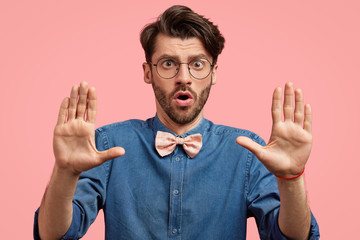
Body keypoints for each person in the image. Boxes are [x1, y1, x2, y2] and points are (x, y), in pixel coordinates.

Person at [34, 5, 320, 240]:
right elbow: (53, 235)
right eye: (169, 63)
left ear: (213, 73)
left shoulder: (248, 152)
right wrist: (65, 172)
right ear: (148, 72)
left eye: (197, 64)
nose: (184, 77)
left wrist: (292, 178)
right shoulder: (107, 145)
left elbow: (290, 238)